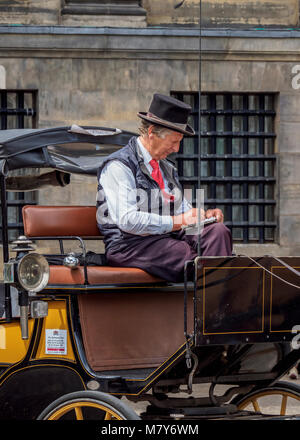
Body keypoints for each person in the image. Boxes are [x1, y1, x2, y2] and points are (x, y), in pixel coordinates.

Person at [96, 93, 232, 282]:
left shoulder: (166, 167)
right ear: (152, 132)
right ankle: (214, 304)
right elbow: (127, 220)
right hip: (129, 245)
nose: (176, 149)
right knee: (189, 257)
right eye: (174, 141)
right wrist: (177, 222)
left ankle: (217, 304)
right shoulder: (119, 166)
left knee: (218, 233)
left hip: (166, 238)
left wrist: (204, 216)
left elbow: (183, 211)